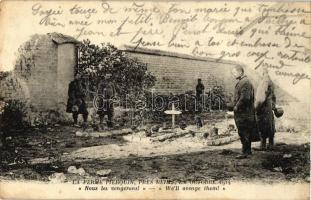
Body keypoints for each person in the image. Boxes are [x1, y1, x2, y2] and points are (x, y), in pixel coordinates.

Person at [232, 65, 258, 159]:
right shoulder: (242, 82)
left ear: (240, 72)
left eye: (234, 72)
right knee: (244, 131)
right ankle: (247, 151)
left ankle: (245, 152)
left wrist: (237, 106)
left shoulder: (245, 82)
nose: (233, 74)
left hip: (244, 112)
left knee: (244, 131)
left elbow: (245, 98)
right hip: (243, 112)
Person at [255, 67, 276, 150]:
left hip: (263, 107)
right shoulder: (271, 81)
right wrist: (273, 105)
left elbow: (261, 97)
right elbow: (274, 97)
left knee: (262, 124)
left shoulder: (264, 81)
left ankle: (263, 145)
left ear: (262, 72)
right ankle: (271, 144)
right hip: (269, 107)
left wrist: (256, 107)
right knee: (270, 124)